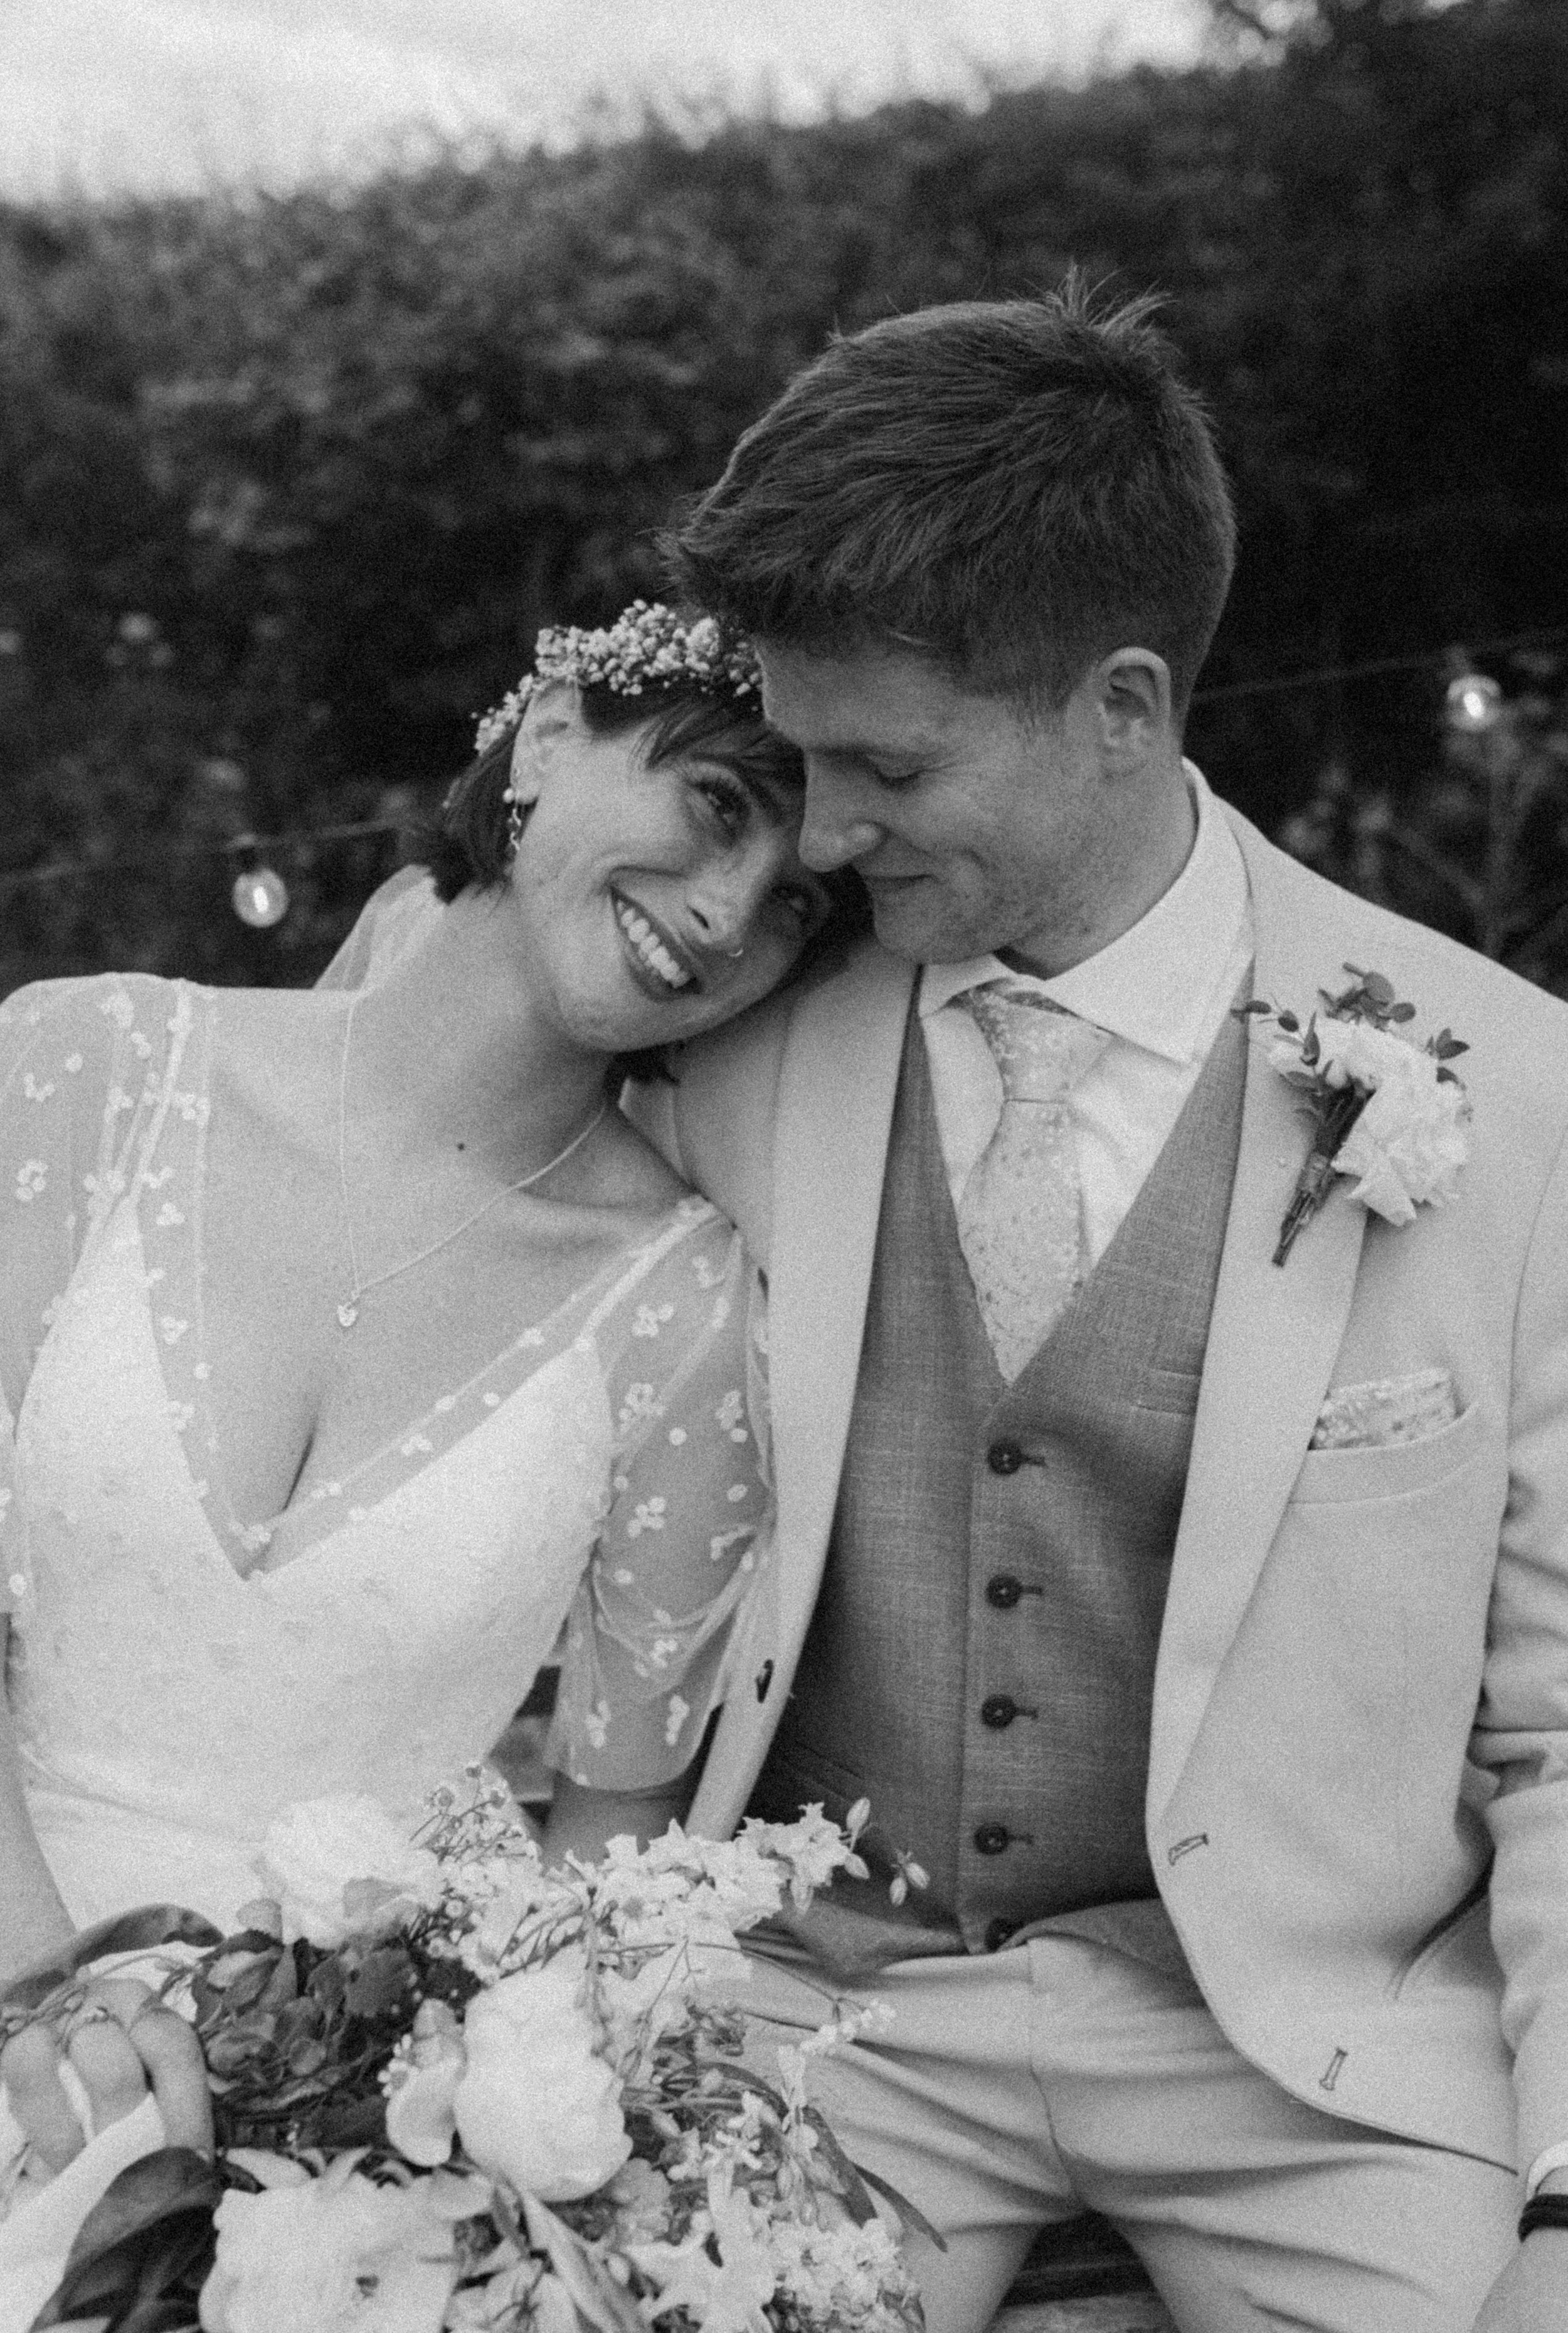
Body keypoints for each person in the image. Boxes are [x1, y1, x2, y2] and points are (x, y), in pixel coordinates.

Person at [613, 284, 1568, 2333]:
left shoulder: (1511, 1093)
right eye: (797, 759)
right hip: (827, 2019)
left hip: (1308, 2060)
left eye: (883, 765)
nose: (826, 833)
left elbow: (1566, 1718)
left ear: (1123, 707)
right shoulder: (726, 1046)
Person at [0, 603, 861, 2174]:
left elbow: (610, 1843)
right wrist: (42, 1994)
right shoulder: (83, 1071)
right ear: (543, 745)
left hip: (328, 2132)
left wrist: (464, 2152)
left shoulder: (683, 1310)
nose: (732, 912)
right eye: (716, 809)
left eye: (797, 906)